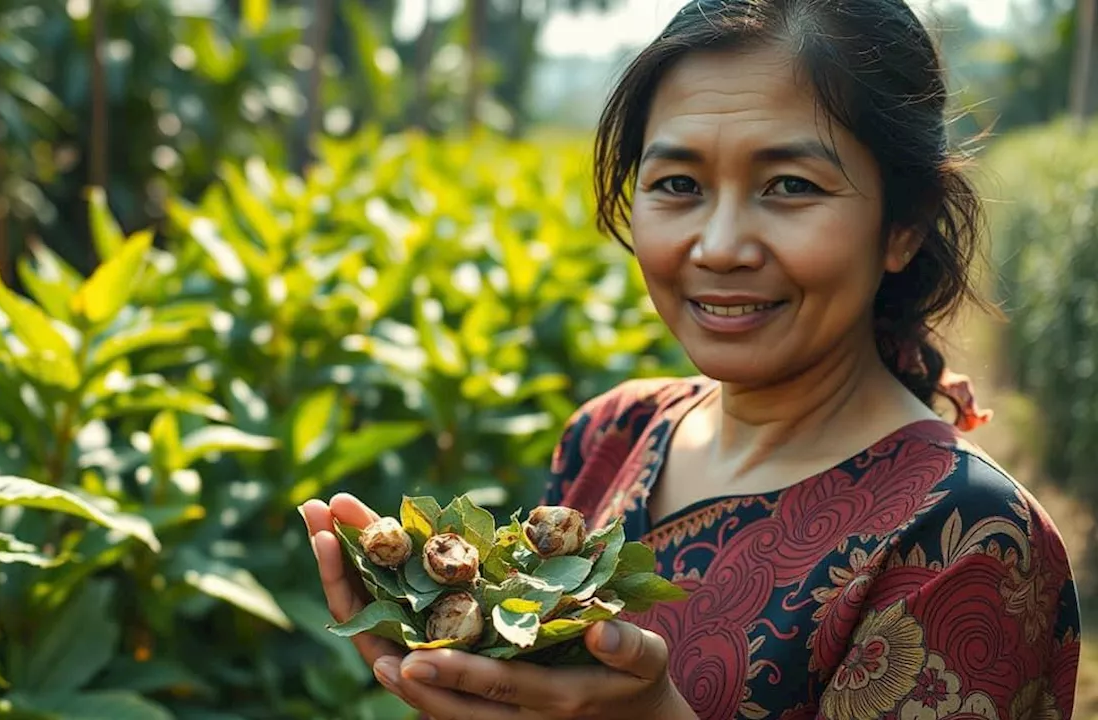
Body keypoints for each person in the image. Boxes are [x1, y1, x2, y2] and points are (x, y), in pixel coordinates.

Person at [299, 0, 1083, 717]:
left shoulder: (966, 535)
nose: (718, 246)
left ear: (903, 225)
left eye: (788, 185)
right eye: (678, 183)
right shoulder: (611, 435)